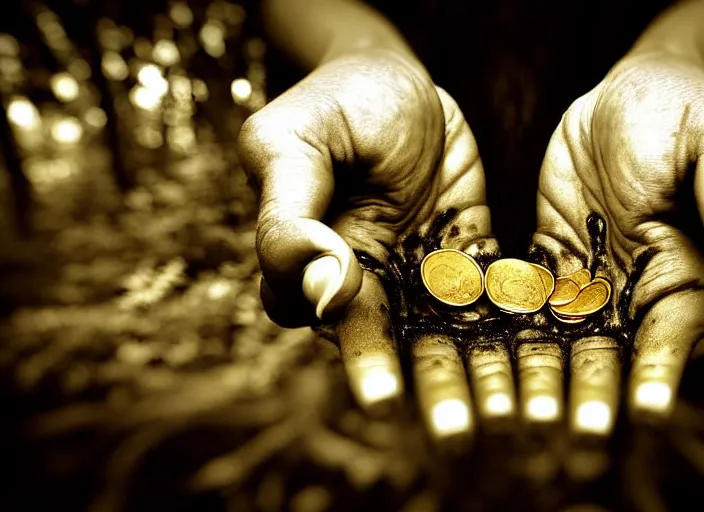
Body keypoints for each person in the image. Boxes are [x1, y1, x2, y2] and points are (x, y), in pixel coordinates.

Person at [237, 0, 704, 442]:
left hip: (626, 218)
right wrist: (359, 49)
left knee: (641, 421)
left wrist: (678, 51)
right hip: (406, 209)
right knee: (408, 412)